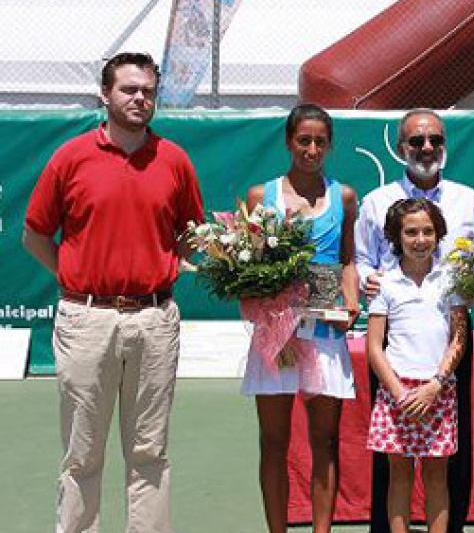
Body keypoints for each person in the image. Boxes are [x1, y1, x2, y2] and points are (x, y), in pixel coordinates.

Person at [22, 52, 204, 533]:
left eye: (148, 90)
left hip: (155, 320)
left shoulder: (175, 160)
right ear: (105, 95)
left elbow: (191, 234)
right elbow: (35, 233)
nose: (140, 98)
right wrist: (73, 277)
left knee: (150, 451)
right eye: (128, 89)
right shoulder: (70, 157)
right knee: (82, 453)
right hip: (86, 322)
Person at [355, 109, 474, 533]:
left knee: (444, 462)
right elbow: (360, 262)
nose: (426, 148)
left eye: (434, 140)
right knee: (394, 468)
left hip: (448, 340)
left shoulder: (469, 199)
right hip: (394, 337)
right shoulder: (376, 202)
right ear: (400, 147)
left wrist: (438, 381)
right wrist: (368, 280)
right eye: (416, 141)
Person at [241, 104, 360, 533]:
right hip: (276, 337)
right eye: (303, 140)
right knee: (274, 443)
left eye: (320, 141)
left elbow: (347, 260)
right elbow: (249, 265)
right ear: (289, 141)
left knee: (324, 443)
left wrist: (351, 302)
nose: (312, 149)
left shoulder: (343, 196)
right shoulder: (261, 196)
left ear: (330, 145)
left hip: (325, 333)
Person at [366, 198, 468, 533]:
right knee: (399, 476)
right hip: (396, 395)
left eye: (428, 231)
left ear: (438, 235)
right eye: (411, 232)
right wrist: (399, 392)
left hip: (438, 391)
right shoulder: (385, 283)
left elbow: (459, 337)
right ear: (397, 237)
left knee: (438, 477)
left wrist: (435, 385)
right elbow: (374, 346)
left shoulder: (451, 279)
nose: (420, 239)